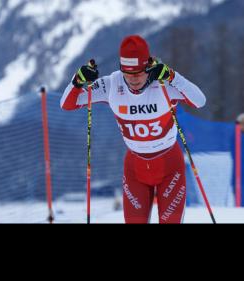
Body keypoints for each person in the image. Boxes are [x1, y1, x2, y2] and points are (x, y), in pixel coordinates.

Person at [60, 35, 206, 223]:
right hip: (135, 169)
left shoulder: (163, 82)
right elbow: (67, 104)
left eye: (138, 73)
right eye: (128, 74)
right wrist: (77, 81)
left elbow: (199, 101)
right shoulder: (111, 84)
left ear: (149, 67)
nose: (133, 79)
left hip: (170, 166)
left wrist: (172, 76)